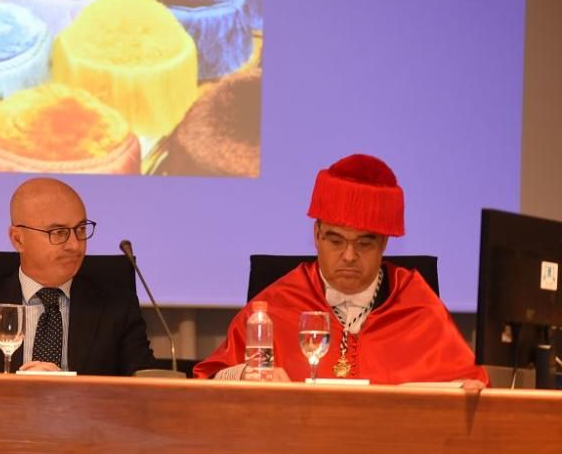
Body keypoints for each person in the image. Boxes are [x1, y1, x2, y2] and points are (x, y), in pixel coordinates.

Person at [194, 154, 489, 386]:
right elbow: (209, 381)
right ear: (316, 235)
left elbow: (472, 385)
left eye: (364, 242)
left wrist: (467, 390)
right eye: (335, 240)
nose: (349, 256)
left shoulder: (419, 307)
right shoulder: (275, 306)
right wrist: (245, 376)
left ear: (384, 243)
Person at [0, 176, 156, 375]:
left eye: (81, 229)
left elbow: (145, 388)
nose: (75, 245)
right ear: (18, 239)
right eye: (58, 233)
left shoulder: (116, 306)